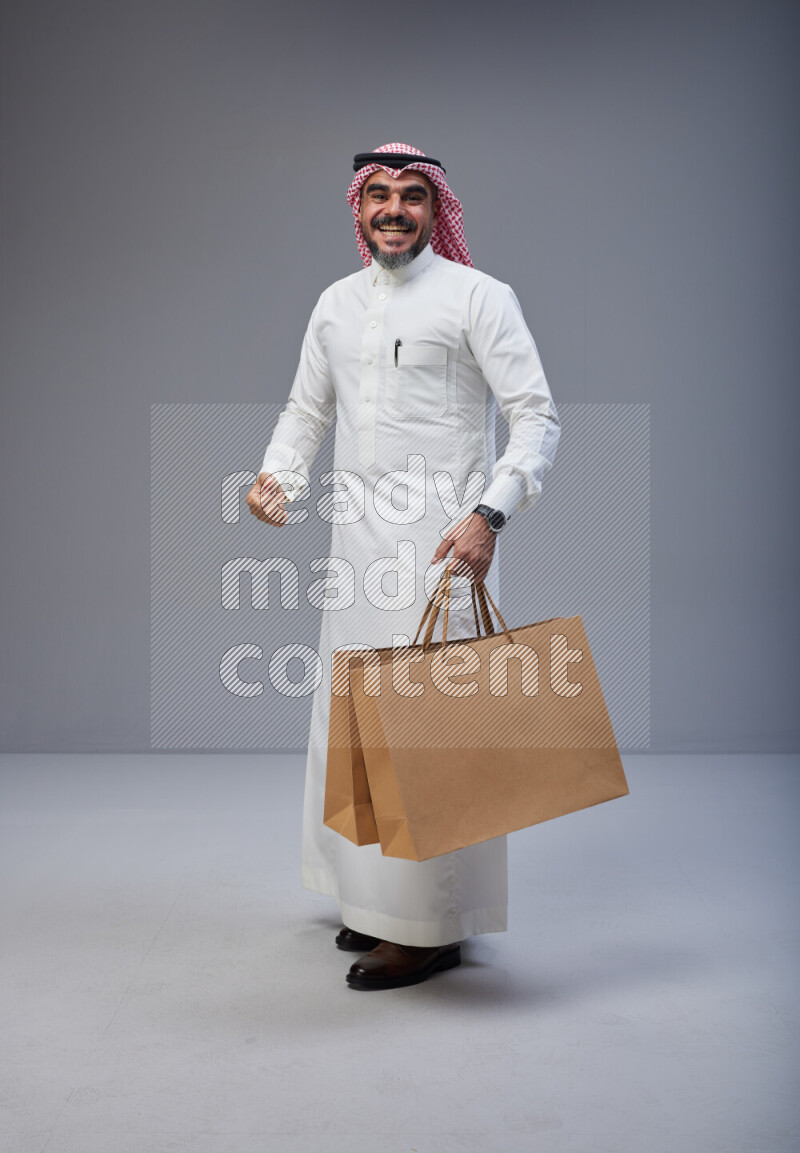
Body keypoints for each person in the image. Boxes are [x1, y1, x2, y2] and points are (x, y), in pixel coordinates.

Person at [246, 142, 560, 990]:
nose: (393, 209)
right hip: (355, 554)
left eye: (412, 196)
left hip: (442, 554)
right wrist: (277, 479)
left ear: (435, 208)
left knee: (432, 737)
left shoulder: (478, 298)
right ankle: (372, 904)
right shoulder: (336, 305)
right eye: (377, 195)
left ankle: (428, 927)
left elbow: (535, 417)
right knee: (352, 730)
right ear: (357, 209)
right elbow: (304, 410)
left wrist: (491, 513)